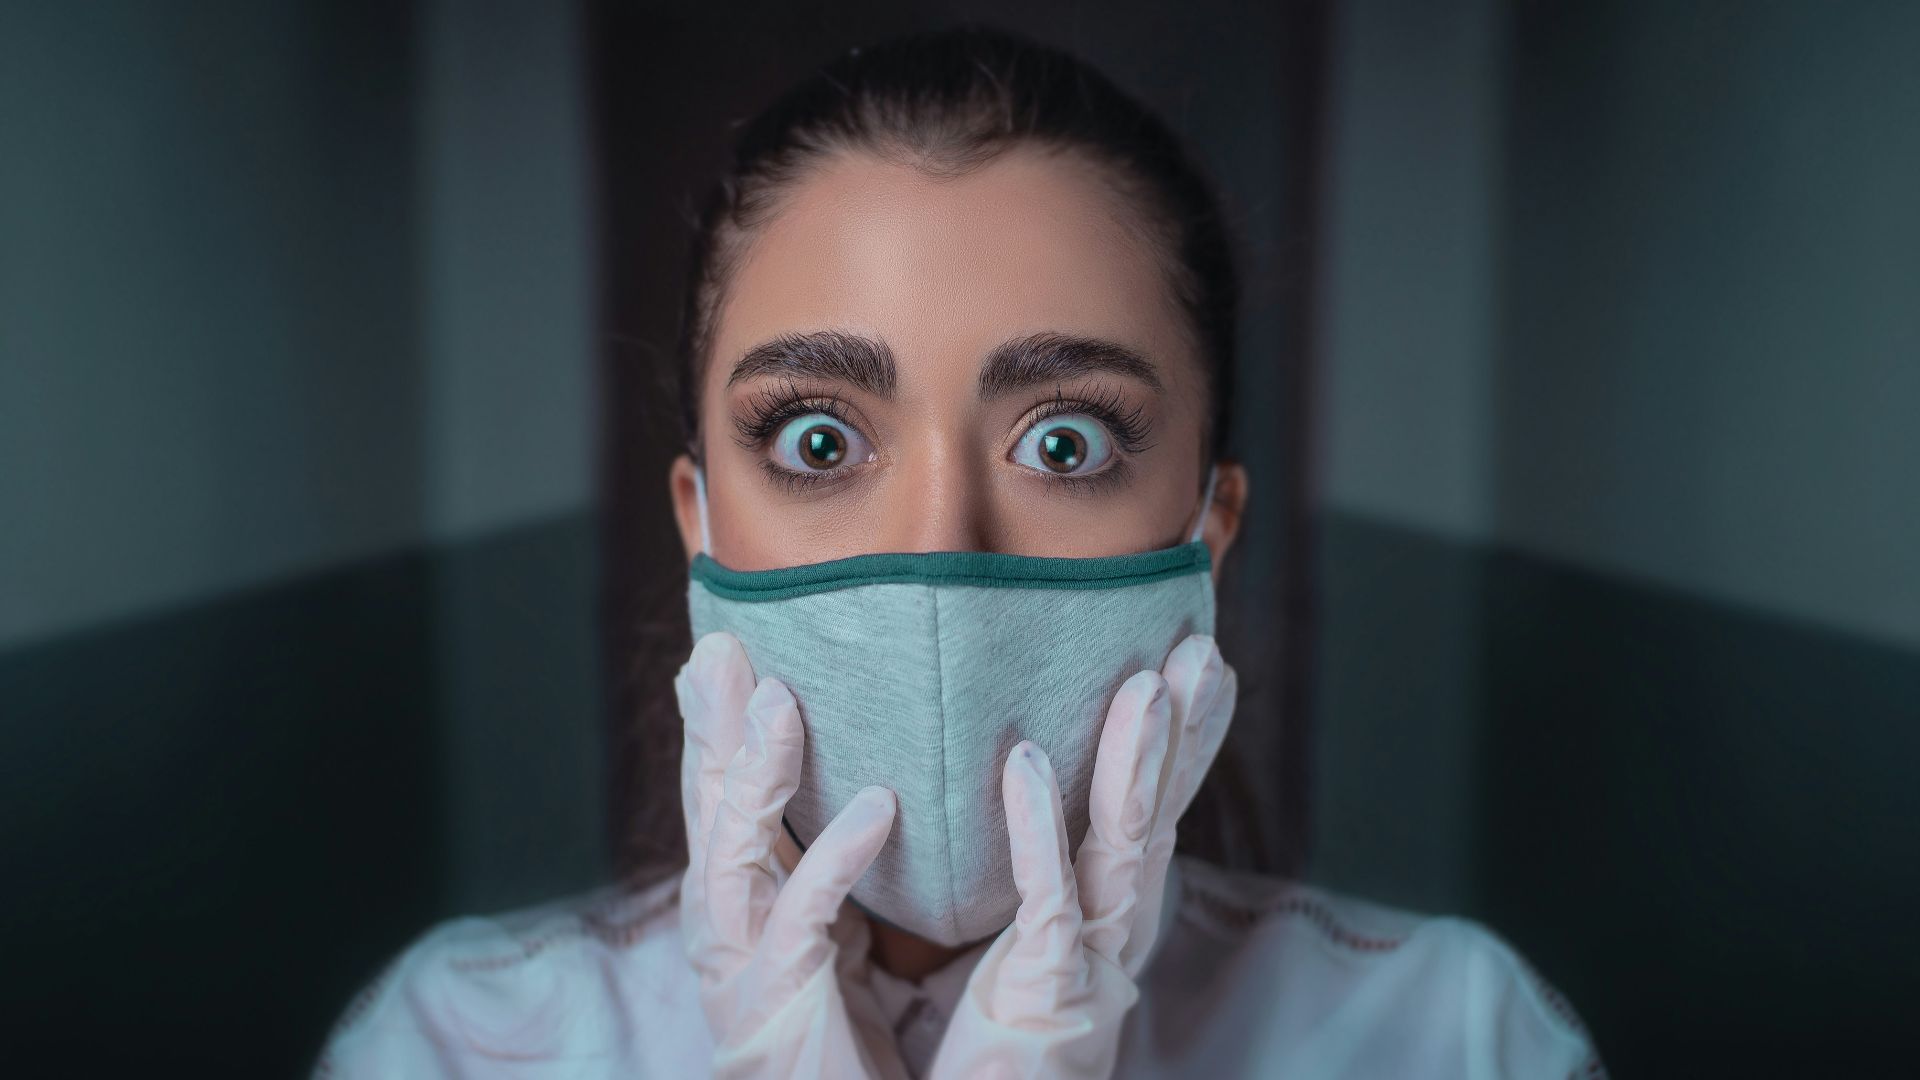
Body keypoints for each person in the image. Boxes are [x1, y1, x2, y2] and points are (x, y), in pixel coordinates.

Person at [316, 25, 1604, 1078]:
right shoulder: (456, 1048)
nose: (939, 554)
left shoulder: (1457, 1042)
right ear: (698, 520)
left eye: (1065, 443)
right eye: (819, 441)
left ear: (1207, 532)